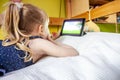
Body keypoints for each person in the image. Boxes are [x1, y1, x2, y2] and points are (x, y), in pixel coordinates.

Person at [0, 2, 78, 76]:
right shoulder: (39, 43)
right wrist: (52, 41)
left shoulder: (12, 39)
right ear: (41, 29)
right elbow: (73, 52)